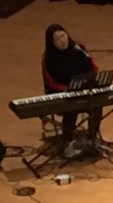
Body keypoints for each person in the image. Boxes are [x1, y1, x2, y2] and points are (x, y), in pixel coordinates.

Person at [40, 23, 101, 159]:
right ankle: (67, 142)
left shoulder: (79, 50)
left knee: (97, 106)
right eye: (57, 39)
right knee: (71, 109)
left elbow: (93, 68)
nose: (62, 41)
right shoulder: (49, 58)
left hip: (82, 89)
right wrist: (68, 90)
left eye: (63, 36)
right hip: (63, 93)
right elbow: (52, 82)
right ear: (52, 43)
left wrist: (86, 81)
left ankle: (93, 138)